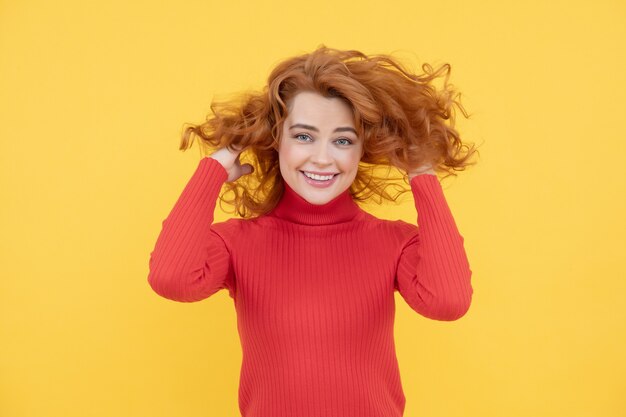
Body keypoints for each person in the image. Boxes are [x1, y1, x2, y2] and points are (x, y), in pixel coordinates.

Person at [147, 45, 478, 417]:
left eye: (342, 140)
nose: (322, 158)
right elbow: (171, 279)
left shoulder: (394, 243)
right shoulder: (238, 243)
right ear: (277, 140)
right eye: (304, 136)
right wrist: (216, 166)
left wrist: (422, 174)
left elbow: (449, 302)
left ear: (360, 150)